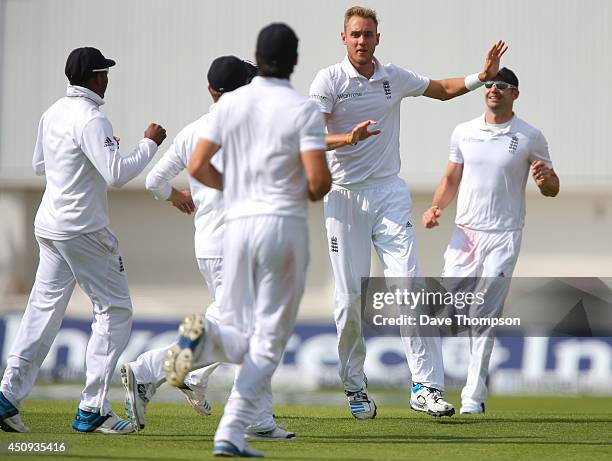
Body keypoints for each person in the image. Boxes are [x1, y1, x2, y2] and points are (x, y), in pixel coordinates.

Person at [308, 5, 508, 419]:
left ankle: (426, 386)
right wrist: (348, 137)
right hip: (344, 198)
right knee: (348, 302)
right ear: (343, 38)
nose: (362, 41)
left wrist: (481, 76)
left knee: (410, 290)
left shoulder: (392, 76)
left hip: (388, 194)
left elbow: (441, 88)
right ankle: (354, 383)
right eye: (355, 34)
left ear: (378, 38)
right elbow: (312, 137)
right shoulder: (327, 80)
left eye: (369, 34)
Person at [163, 23, 331, 458]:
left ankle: (227, 425)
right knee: (270, 337)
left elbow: (198, 166)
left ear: (259, 54)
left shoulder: (229, 105)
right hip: (282, 227)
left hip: (235, 227)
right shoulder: (302, 109)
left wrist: (236, 188)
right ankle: (231, 426)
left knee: (240, 331)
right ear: (294, 61)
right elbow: (317, 183)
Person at [121, 56, 296, 441]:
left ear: (209, 90)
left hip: (208, 245)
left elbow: (153, 180)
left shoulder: (192, 131)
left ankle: (227, 400)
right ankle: (150, 370)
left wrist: (177, 197)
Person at [0, 47, 166, 434]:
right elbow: (117, 175)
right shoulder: (93, 119)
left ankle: (7, 396)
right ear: (95, 78)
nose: (107, 78)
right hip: (83, 230)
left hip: (50, 226)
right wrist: (150, 144)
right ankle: (92, 409)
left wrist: (92, 154)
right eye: (104, 72)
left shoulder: (53, 112)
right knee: (115, 311)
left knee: (42, 310)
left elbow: (41, 165)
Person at [422, 67, 559, 414]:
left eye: (503, 86)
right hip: (464, 234)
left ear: (515, 93)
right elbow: (451, 177)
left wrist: (544, 180)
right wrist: (436, 207)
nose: (494, 89)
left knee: (483, 313)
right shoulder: (464, 132)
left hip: (504, 236)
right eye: (490, 84)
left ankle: (473, 397)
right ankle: (429, 387)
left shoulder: (530, 136)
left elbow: (552, 187)